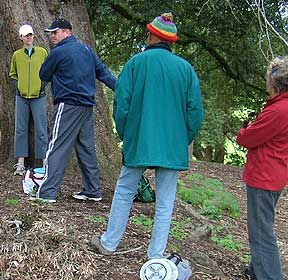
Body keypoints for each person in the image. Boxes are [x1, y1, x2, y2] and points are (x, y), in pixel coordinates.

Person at [89, 13, 204, 261]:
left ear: (152, 35)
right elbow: (195, 112)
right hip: (172, 145)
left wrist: (126, 134)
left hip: (140, 140)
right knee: (165, 202)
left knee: (124, 191)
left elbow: (121, 104)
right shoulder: (185, 69)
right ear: (170, 41)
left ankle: (109, 243)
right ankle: (155, 256)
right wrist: (183, 139)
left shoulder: (135, 63)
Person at [32, 18, 116, 203]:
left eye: (55, 32)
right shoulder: (86, 50)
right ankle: (93, 190)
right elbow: (103, 73)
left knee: (56, 147)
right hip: (86, 106)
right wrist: (121, 88)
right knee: (86, 148)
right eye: (51, 33)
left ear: (67, 32)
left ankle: (46, 193)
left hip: (67, 105)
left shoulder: (58, 52)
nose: (52, 36)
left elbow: (43, 74)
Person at [236, 56, 288, 280]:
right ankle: (255, 269)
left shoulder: (279, 110)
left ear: (272, 82)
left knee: (261, 232)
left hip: (264, 176)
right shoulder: (286, 106)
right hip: (273, 173)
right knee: (262, 225)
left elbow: (250, 138)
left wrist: (243, 131)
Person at [9, 24, 49, 175]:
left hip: (39, 96)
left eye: (31, 34)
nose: (29, 37)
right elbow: (12, 74)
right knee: (20, 129)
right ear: (21, 37)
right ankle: (20, 164)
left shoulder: (42, 52)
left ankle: (44, 163)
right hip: (22, 97)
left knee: (41, 129)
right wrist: (18, 87)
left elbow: (47, 71)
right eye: (26, 35)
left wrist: (42, 86)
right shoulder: (17, 55)